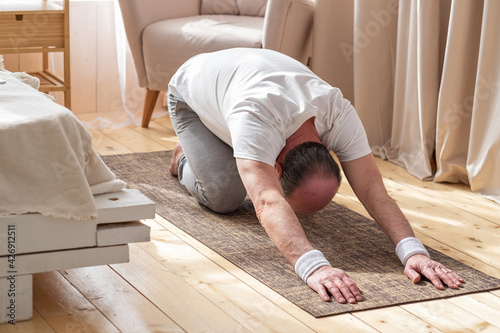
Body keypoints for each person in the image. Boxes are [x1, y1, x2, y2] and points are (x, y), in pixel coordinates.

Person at [167, 48, 464, 304]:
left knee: (247, 160)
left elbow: (373, 188)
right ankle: (185, 156)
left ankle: (230, 151)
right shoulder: (255, 116)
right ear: (277, 169)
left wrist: (414, 252)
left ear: (329, 149)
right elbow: (267, 201)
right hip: (190, 92)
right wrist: (313, 266)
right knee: (225, 197)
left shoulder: (338, 114)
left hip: (242, 84)